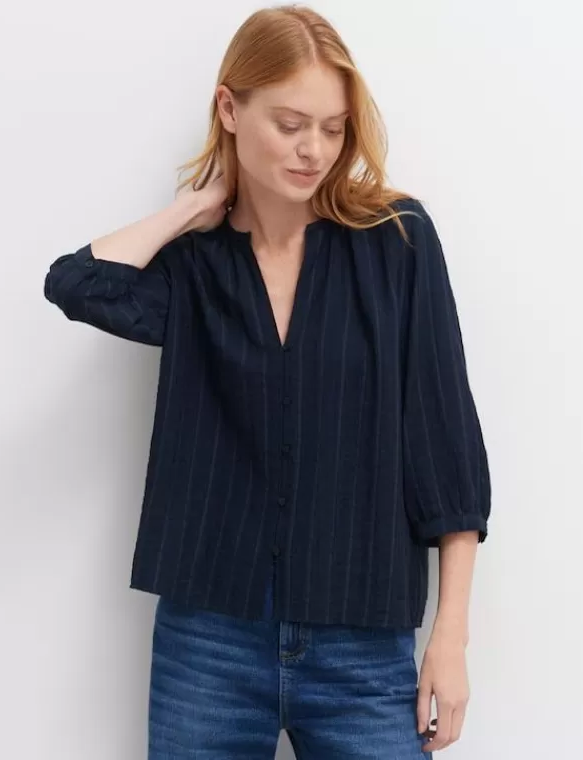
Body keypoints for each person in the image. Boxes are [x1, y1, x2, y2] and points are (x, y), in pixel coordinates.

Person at [43, 5, 491, 758]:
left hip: (364, 642)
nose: (314, 150)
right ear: (229, 108)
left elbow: (446, 448)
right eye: (290, 124)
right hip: (208, 642)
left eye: (333, 128)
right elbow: (76, 284)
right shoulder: (194, 265)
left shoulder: (397, 243)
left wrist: (450, 638)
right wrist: (193, 208)